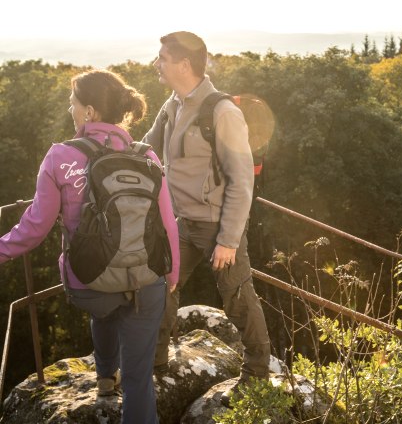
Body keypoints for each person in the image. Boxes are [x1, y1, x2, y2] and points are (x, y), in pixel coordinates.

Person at [0, 69, 180, 424]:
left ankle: (104, 375)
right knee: (139, 379)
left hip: (89, 284)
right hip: (147, 280)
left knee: (107, 304)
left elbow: (35, 227)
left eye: (73, 104)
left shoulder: (60, 157)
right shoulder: (147, 156)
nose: (71, 110)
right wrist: (170, 275)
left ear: (90, 112)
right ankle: (124, 387)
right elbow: (167, 222)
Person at [143, 31, 271, 402]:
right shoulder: (172, 105)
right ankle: (154, 362)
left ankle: (258, 372)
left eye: (163, 58)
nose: (157, 64)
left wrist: (229, 240)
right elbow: (147, 148)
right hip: (180, 221)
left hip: (217, 224)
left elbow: (242, 180)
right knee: (160, 284)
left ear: (184, 65)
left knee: (237, 297)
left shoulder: (222, 112)